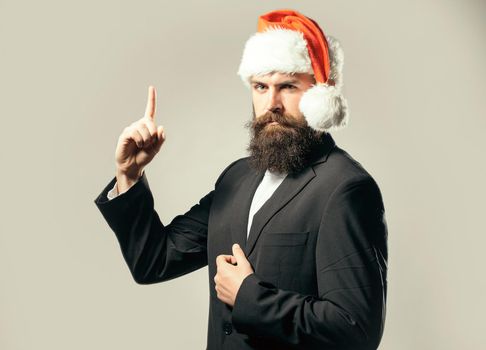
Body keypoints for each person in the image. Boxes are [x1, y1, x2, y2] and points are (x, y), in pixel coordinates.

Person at [94, 9, 388, 350]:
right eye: (261, 86)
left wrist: (249, 296)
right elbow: (154, 261)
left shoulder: (345, 188)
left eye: (288, 86)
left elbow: (356, 330)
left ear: (320, 93)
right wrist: (129, 175)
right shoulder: (238, 177)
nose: (271, 103)